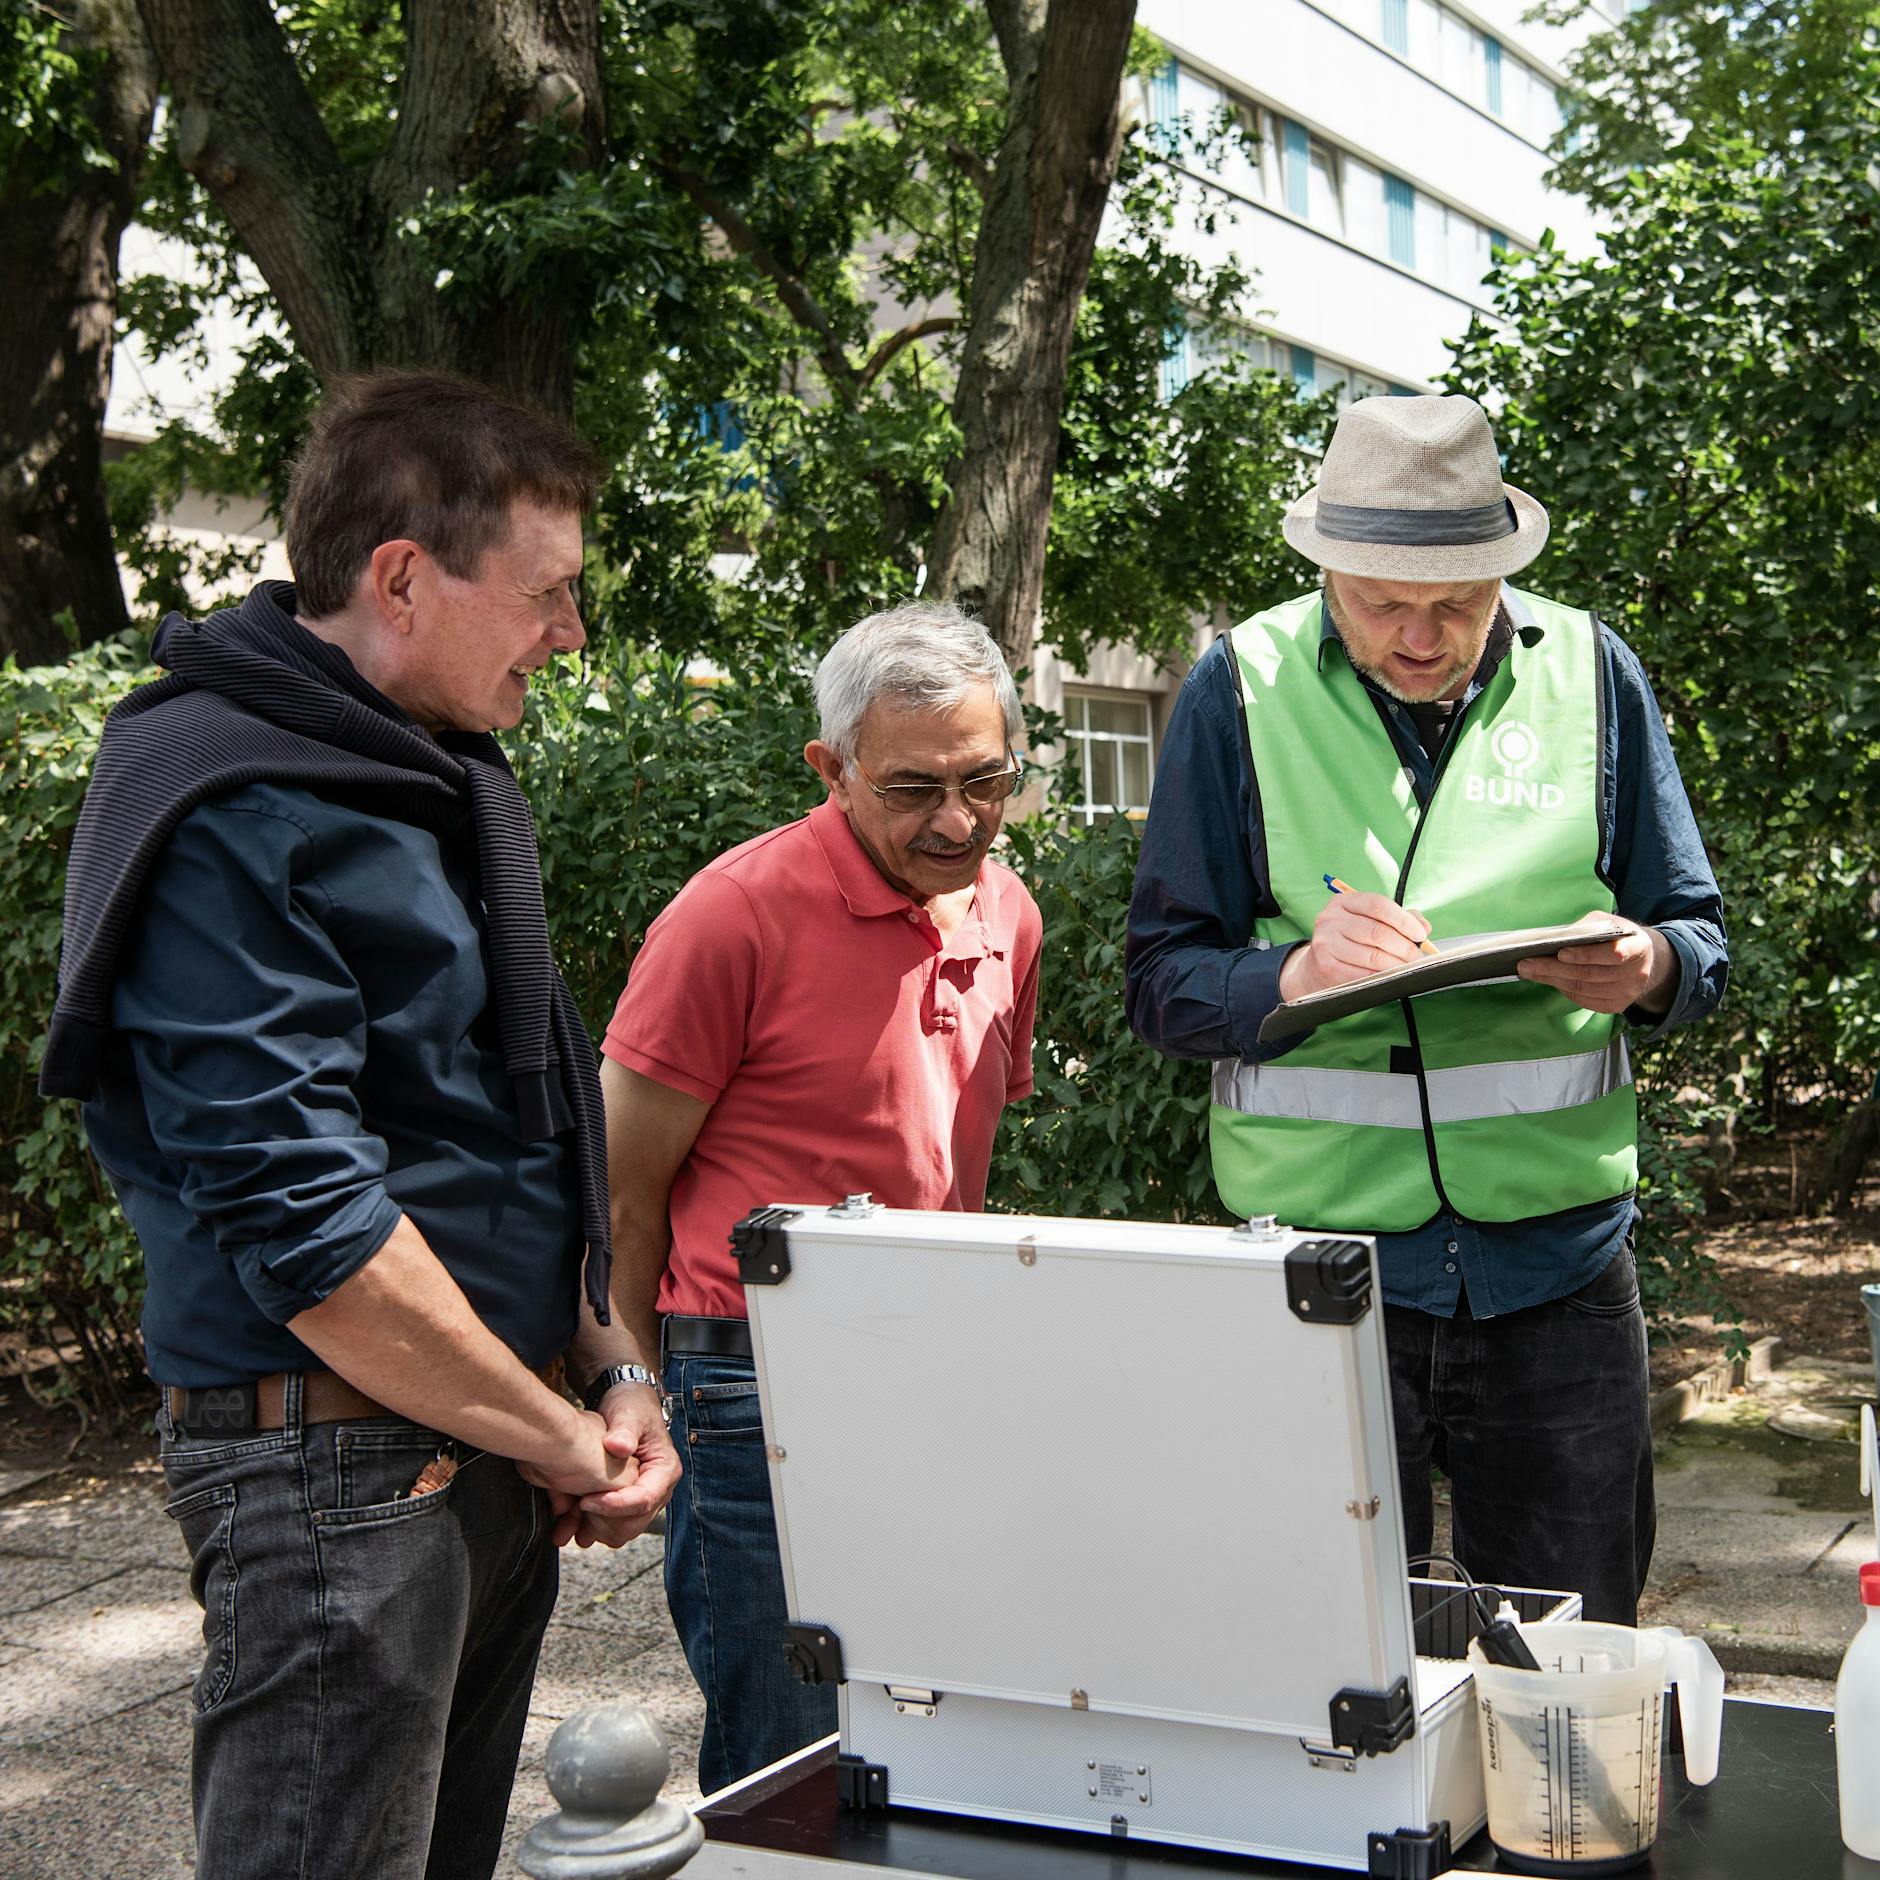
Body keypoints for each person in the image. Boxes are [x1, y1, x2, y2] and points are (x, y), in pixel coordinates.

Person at [43, 370, 679, 1880]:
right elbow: (310, 1228)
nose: (571, 634)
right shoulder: (235, 800)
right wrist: (559, 1440)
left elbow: (504, 1125)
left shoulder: (421, 772)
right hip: (339, 1486)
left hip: (476, 1449)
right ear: (403, 576)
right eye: (548, 593)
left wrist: (607, 1363)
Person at [1125, 394, 1727, 1625]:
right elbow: (1158, 982)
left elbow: (1697, 939)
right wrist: (1289, 973)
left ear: (1502, 570)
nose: (1415, 635)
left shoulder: (1593, 672)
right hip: (1320, 1279)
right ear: (1327, 571)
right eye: (1379, 603)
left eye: (1451, 605)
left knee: (1569, 1662)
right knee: (1333, 1670)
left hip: (1556, 1269)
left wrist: (1648, 964)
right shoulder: (1238, 685)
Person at [600, 600, 1042, 1790]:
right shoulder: (731, 914)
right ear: (830, 767)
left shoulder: (1009, 910)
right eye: (912, 789)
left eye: (985, 779)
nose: (958, 820)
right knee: (787, 1755)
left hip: (933, 1360)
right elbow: (619, 1196)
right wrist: (625, 1389)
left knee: (939, 1732)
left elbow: (960, 1161)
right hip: (754, 1376)